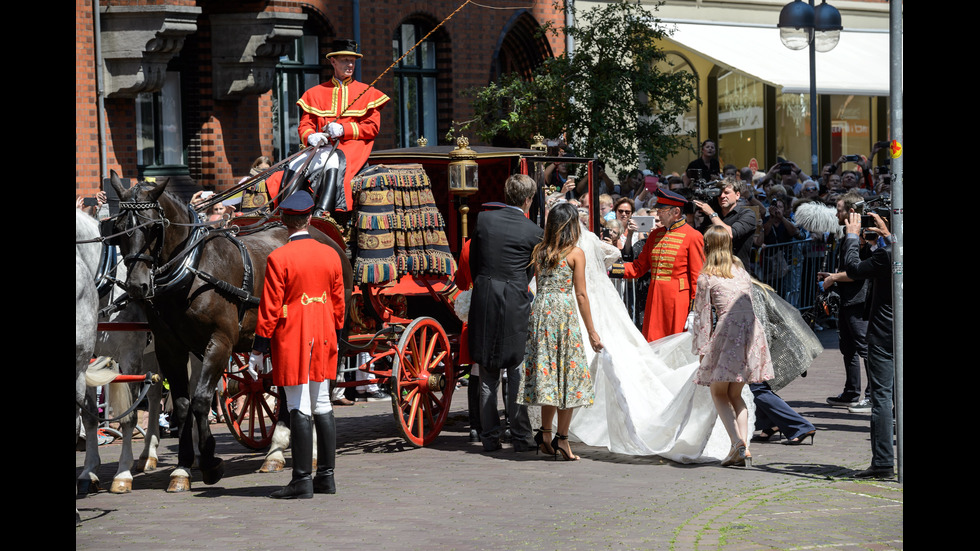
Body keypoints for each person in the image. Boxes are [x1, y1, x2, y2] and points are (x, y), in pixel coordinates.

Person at [248, 191, 346, 499]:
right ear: (309, 217)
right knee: (323, 405)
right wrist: (336, 333)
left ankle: (302, 480)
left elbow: (270, 308)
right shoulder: (331, 254)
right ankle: (326, 478)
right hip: (326, 332)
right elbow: (339, 303)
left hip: (293, 337)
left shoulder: (279, 257)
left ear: (284, 220)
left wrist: (258, 348)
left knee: (298, 406)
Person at [519, 202, 603, 461]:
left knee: (549, 377)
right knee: (570, 378)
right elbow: (580, 294)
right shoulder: (575, 253)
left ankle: (545, 433)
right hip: (563, 317)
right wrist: (592, 331)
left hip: (541, 314)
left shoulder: (540, 251)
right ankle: (562, 439)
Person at [469, 174, 543, 452]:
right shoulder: (533, 231)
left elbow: (475, 260)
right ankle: (521, 436)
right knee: (515, 371)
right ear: (527, 200)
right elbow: (529, 272)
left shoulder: (484, 220)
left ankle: (489, 437)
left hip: (486, 294)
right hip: (514, 297)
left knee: (488, 371)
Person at [691, 226, 775, 467]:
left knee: (718, 393)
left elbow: (703, 316)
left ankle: (736, 443)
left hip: (728, 333)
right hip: (750, 333)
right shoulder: (741, 271)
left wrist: (702, 350)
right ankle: (743, 447)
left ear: (707, 247)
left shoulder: (707, 276)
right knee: (736, 395)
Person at [279, 39, 390, 216]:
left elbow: (372, 128)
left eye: (352, 60)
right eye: (345, 60)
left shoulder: (367, 92)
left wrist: (343, 129)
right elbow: (305, 125)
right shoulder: (314, 92)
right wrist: (310, 137)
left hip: (351, 148)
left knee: (334, 163)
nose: (350, 64)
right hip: (321, 147)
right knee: (294, 164)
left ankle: (325, 214)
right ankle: (285, 212)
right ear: (333, 62)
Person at [842, 211, 895, 479]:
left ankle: (884, 462)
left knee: (882, 398)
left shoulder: (887, 256)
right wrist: (885, 237)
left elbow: (853, 269)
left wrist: (852, 236)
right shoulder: (888, 250)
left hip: (885, 333)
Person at [613, 188, 704, 342]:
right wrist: (610, 269)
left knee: (675, 349)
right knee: (654, 344)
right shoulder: (655, 235)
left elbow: (698, 277)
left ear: (676, 212)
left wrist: (695, 310)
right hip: (655, 299)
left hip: (678, 302)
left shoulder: (693, 236)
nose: (658, 213)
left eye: (662, 210)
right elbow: (638, 267)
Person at [818, 192, 872, 411]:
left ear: (851, 211)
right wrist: (833, 275)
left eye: (838, 209)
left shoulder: (863, 236)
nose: (835, 213)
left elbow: (857, 272)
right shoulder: (847, 235)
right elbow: (848, 270)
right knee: (848, 348)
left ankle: (872, 395)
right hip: (847, 299)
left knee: (865, 348)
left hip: (859, 301)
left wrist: (832, 278)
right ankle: (851, 392)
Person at [693, 178, 757, 269]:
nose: (722, 196)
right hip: (713, 270)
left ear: (737, 195)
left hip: (736, 272)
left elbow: (729, 234)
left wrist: (711, 213)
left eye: (726, 193)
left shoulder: (748, 214)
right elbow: (698, 237)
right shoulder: (712, 215)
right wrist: (691, 218)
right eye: (719, 193)